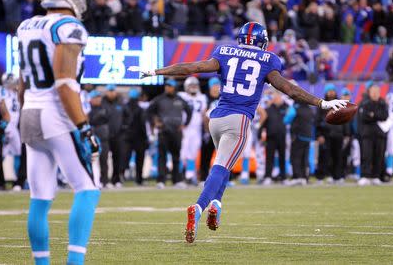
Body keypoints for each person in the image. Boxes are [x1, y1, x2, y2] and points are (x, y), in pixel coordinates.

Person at [135, 21, 347, 243]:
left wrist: (155, 71)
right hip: (239, 120)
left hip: (216, 119)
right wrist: (322, 103)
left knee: (224, 165)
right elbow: (289, 89)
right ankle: (198, 208)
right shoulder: (269, 59)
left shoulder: (224, 51)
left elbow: (194, 68)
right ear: (261, 40)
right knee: (221, 167)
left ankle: (216, 205)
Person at [17, 0, 100, 264]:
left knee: (39, 198)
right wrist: (84, 126)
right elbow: (65, 83)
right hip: (56, 115)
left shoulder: (27, 25)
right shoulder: (69, 26)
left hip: (29, 111)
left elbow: (22, 83)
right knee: (88, 190)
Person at [147, 79, 192, 189]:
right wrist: (155, 122)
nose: (168, 88)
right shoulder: (159, 99)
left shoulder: (180, 99)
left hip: (177, 132)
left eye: (170, 86)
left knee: (176, 157)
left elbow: (189, 111)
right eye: (166, 86)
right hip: (164, 131)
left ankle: (176, 180)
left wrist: (185, 124)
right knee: (162, 156)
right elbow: (149, 111)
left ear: (174, 87)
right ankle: (161, 180)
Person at [315, 84, 350, 184]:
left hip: (338, 135)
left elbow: (345, 120)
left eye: (332, 91)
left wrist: (346, 134)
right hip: (326, 135)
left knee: (338, 157)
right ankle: (322, 176)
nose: (331, 93)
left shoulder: (340, 104)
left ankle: (337, 176)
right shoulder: (322, 105)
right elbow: (317, 122)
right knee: (325, 157)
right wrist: (319, 135)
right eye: (329, 91)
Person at [284, 82, 315, 186]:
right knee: (305, 158)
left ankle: (297, 177)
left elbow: (286, 120)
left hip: (298, 136)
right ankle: (305, 178)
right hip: (308, 137)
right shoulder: (310, 109)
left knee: (295, 157)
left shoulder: (295, 108)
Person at [178, 77, 207, 185]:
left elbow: (204, 114)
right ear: (186, 87)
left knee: (193, 154)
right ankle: (179, 177)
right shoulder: (182, 96)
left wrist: (206, 129)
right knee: (182, 153)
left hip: (197, 129)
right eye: (191, 85)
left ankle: (190, 176)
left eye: (195, 85)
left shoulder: (202, 97)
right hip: (185, 128)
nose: (193, 87)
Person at [359, 84, 388, 186]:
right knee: (366, 155)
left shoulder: (382, 103)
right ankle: (365, 176)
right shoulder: (364, 103)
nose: (375, 94)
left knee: (378, 156)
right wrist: (376, 116)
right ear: (369, 92)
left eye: (377, 91)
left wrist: (373, 115)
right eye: (373, 91)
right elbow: (363, 117)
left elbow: (385, 116)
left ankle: (376, 176)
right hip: (367, 134)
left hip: (380, 134)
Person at [0, 73, 21, 191]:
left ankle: (15, 180)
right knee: (1, 154)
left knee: (18, 152)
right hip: (7, 127)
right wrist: (4, 126)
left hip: (14, 127)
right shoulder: (1, 93)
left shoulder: (15, 94)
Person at [262, 88, 289, 185]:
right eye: (275, 96)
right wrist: (261, 134)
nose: (276, 98)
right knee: (269, 158)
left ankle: (283, 177)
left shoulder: (285, 107)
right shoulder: (268, 109)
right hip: (271, 136)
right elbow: (263, 123)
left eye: (278, 96)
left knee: (282, 157)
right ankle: (268, 177)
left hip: (282, 136)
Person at [122, 88, 148, 186]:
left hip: (127, 137)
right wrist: (145, 138)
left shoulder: (124, 107)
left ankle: (121, 177)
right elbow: (143, 125)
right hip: (138, 137)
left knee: (125, 158)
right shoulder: (140, 109)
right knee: (139, 159)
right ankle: (138, 179)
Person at [101, 84, 125, 188]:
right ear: (106, 92)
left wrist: (124, 127)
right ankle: (104, 180)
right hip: (105, 136)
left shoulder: (121, 102)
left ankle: (116, 180)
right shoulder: (101, 102)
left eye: (112, 91)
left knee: (118, 158)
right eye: (109, 91)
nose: (111, 93)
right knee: (103, 159)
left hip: (118, 135)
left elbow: (127, 116)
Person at [200, 77, 221, 182]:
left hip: (222, 132)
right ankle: (203, 178)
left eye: (217, 85)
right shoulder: (205, 99)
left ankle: (227, 179)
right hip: (209, 131)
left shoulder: (223, 98)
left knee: (224, 156)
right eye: (214, 85)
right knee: (206, 155)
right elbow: (204, 116)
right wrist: (207, 131)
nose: (216, 88)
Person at [88, 90, 110, 187]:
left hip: (103, 137)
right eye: (96, 97)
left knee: (104, 160)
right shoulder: (87, 109)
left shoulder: (105, 108)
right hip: (91, 139)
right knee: (91, 160)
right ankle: (91, 181)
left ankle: (104, 181)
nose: (98, 99)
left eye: (99, 97)